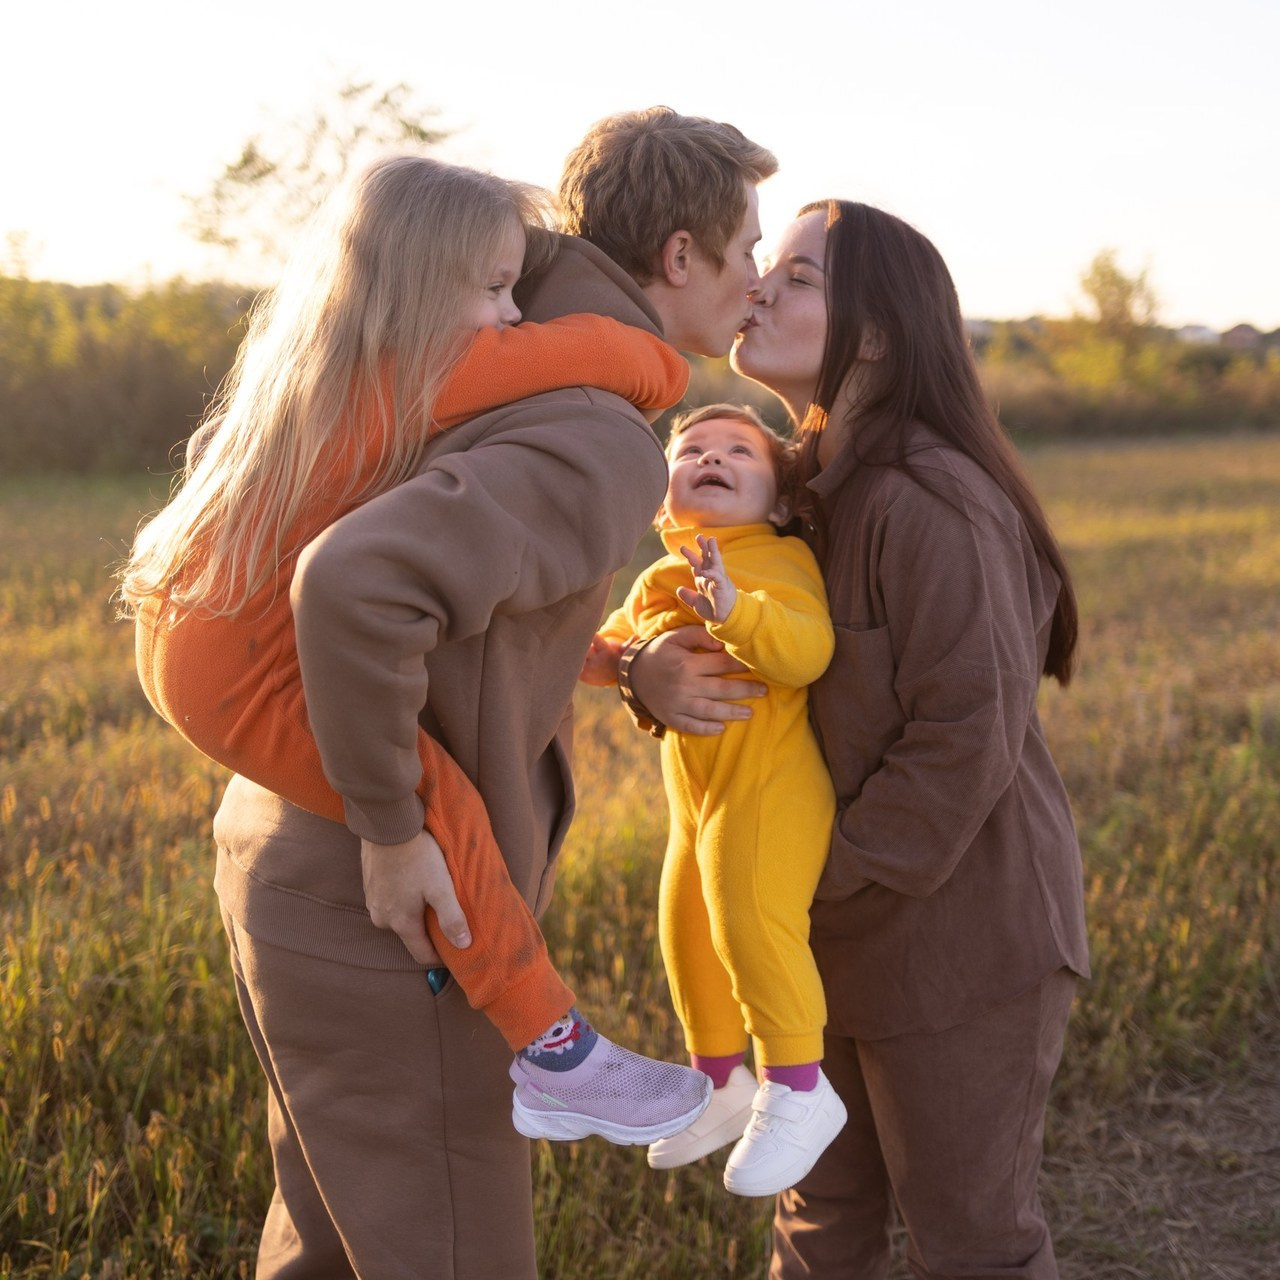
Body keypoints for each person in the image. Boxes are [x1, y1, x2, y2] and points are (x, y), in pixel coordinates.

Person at [130, 107, 777, 1280]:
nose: (761, 276)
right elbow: (361, 582)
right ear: (680, 257)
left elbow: (469, 615)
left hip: (286, 840)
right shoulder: (596, 429)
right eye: (748, 248)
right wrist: (387, 824)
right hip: (384, 891)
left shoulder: (461, 347)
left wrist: (620, 660)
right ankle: (558, 1047)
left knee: (331, 1243)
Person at [624, 202, 1090, 1278]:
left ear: (873, 333)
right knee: (817, 1227)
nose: (758, 289)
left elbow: (957, 735)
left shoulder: (929, 497)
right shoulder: (786, 487)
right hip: (816, 934)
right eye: (765, 268)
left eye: (797, 276)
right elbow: (700, 622)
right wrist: (647, 674)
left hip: (956, 939)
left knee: (969, 1240)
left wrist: (799, 877)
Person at [580, 403, 847, 1197]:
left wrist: (734, 609)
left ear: (775, 502)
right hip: (694, 799)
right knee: (686, 925)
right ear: (663, 500)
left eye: (740, 450)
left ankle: (799, 1086)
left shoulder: (773, 557)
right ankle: (718, 1080)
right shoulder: (657, 576)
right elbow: (603, 653)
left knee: (747, 917)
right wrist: (609, 652)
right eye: (691, 448)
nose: (713, 456)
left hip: (768, 785)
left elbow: (808, 651)